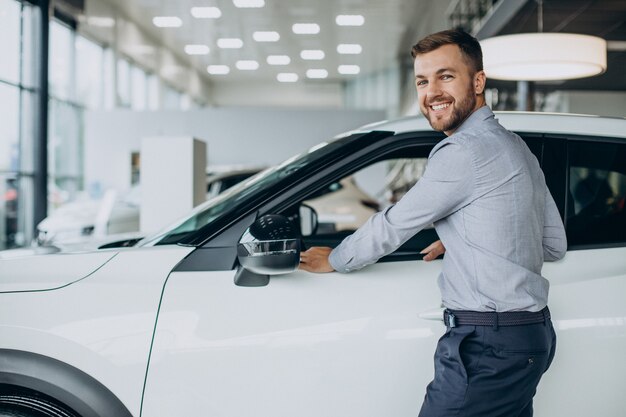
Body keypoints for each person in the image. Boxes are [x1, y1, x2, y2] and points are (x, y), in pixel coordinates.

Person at [299, 28, 567, 417]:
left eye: (446, 76)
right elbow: (552, 243)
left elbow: (394, 224)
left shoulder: (464, 151)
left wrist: (336, 259)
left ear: (477, 81)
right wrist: (468, 236)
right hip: (530, 337)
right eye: (423, 81)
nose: (432, 92)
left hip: (487, 345)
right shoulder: (516, 147)